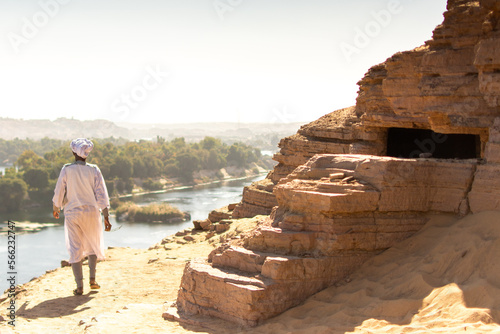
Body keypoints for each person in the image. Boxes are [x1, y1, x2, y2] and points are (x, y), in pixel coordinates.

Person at [52, 138, 112, 296]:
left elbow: (59, 190)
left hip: (73, 212)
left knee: (75, 247)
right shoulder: (94, 170)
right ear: (86, 154)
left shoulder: (67, 169)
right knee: (93, 245)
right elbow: (102, 194)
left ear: (73, 152)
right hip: (92, 212)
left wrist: (56, 206)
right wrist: (106, 216)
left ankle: (79, 286)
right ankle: (93, 280)